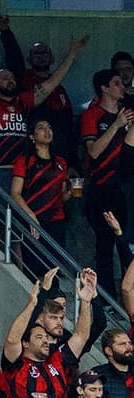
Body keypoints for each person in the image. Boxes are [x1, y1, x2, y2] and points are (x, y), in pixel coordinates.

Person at [0, 21, 86, 190]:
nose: (10, 80)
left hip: (23, 173)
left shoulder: (23, 102)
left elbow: (52, 82)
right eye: (4, 77)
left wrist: (72, 53)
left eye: (11, 77)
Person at [0, 12, 76, 164]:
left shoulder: (60, 90)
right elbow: (14, 57)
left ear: (52, 58)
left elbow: (68, 128)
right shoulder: (22, 79)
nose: (41, 56)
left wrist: (72, 162)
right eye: (36, 53)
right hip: (32, 151)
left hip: (59, 154)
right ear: (29, 59)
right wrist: (6, 32)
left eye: (44, 52)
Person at [80, 69, 134, 296]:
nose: (122, 87)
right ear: (104, 88)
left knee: (126, 242)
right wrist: (116, 124)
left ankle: (128, 294)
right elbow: (93, 152)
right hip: (101, 187)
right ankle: (107, 297)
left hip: (126, 187)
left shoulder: (128, 114)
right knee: (104, 244)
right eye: (117, 83)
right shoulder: (92, 115)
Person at [10, 119, 70, 274]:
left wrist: (71, 193)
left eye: (49, 127)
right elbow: (15, 193)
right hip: (33, 221)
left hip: (56, 220)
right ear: (32, 136)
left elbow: (61, 196)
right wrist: (30, 216)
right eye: (41, 128)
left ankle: (54, 299)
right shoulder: (24, 161)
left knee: (53, 269)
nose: (47, 131)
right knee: (33, 268)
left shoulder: (61, 162)